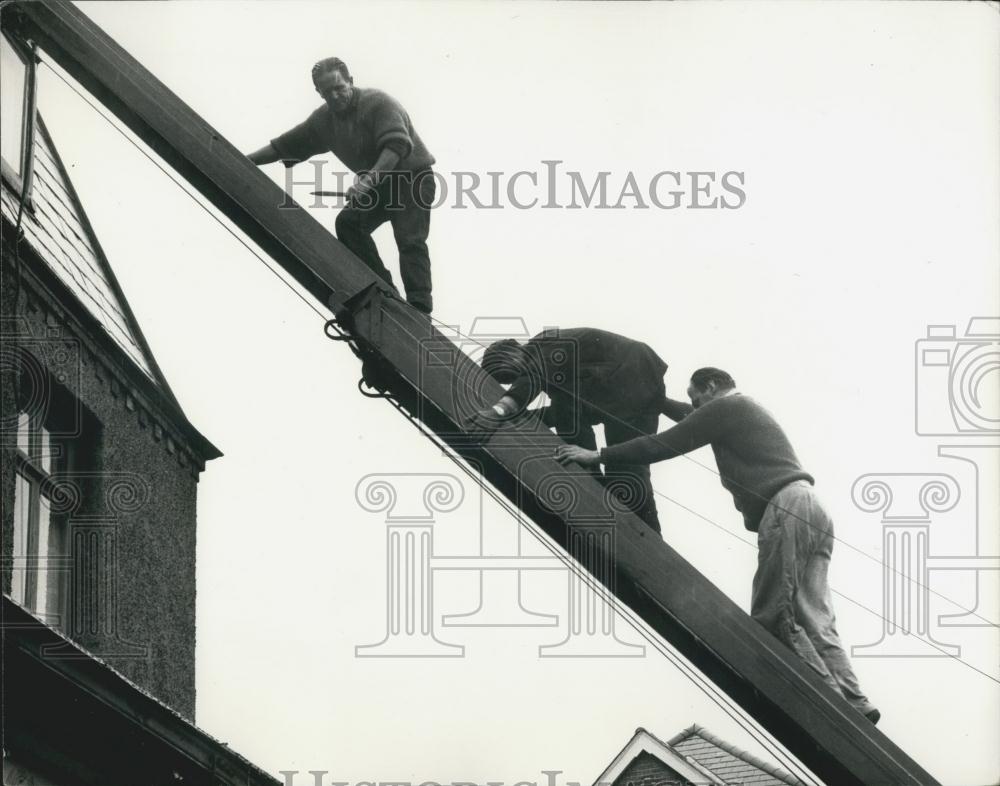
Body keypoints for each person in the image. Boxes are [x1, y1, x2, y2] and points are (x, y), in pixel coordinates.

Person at [555, 367, 880, 724]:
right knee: (813, 616)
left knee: (773, 615)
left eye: (696, 398)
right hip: (810, 507)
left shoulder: (727, 409)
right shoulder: (740, 409)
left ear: (710, 388)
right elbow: (691, 417)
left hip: (785, 507)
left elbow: (665, 443)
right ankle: (855, 702)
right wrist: (659, 401)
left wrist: (597, 455)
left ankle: (833, 709)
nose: (693, 406)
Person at [247, 57, 437, 315]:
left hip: (411, 177)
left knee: (409, 240)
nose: (335, 96)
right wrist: (241, 160)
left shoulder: (379, 102)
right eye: (327, 92)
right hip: (378, 186)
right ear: (319, 92)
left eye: (339, 87)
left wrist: (368, 181)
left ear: (350, 81)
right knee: (349, 224)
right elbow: (282, 147)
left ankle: (419, 309)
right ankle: (385, 292)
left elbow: (397, 146)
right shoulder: (323, 121)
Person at [472, 328, 669, 533]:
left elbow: (537, 380)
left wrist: (500, 410)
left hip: (628, 372)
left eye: (511, 374)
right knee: (628, 470)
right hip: (640, 385)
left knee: (564, 398)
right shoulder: (557, 365)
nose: (514, 380)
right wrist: (521, 419)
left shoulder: (542, 346)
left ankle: (589, 469)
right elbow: (563, 412)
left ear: (513, 352)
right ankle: (653, 536)